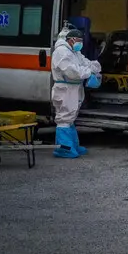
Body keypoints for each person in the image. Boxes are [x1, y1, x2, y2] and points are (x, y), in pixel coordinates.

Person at [51, 29, 102, 158]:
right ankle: (64, 148)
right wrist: (88, 72)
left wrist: (94, 67)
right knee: (65, 117)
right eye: (78, 41)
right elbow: (71, 71)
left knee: (71, 116)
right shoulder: (62, 52)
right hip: (65, 88)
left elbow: (85, 62)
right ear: (71, 39)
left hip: (74, 88)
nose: (80, 44)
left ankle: (72, 145)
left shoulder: (74, 51)